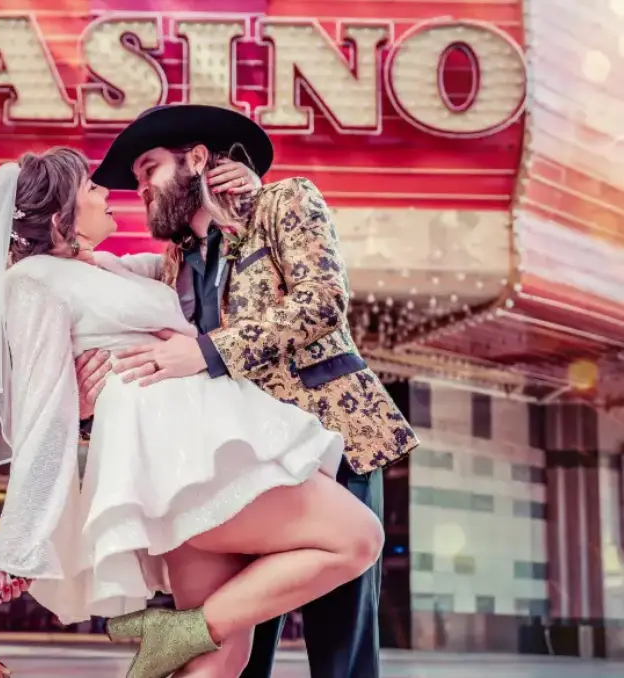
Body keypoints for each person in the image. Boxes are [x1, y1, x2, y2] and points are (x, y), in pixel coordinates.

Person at [0, 146, 384, 678]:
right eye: (93, 186)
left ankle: (186, 631)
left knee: (220, 661)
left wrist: (245, 197)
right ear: (64, 212)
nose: (116, 191)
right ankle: (183, 628)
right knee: (356, 539)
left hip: (199, 441)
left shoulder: (117, 268)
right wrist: (18, 551)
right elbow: (44, 412)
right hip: (182, 449)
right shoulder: (31, 283)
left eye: (145, 173)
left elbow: (216, 250)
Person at [72, 104, 420, 678]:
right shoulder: (170, 263)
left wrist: (206, 352)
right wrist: (87, 410)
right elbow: (146, 365)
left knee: (341, 639)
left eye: (149, 170)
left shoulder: (286, 202)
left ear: (199, 160)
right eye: (136, 181)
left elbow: (322, 303)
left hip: (334, 438)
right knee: (236, 645)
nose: (141, 190)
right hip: (241, 461)